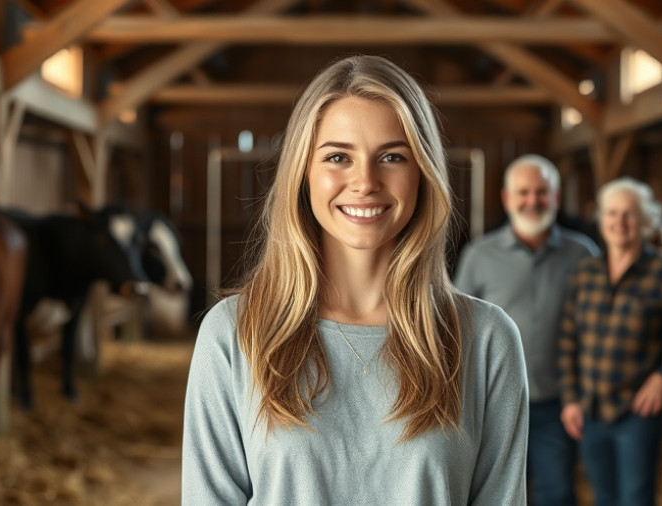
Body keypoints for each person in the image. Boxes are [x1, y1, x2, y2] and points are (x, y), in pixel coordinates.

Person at [181, 55, 529, 505]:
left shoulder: (487, 339)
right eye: (338, 157)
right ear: (304, 172)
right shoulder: (233, 334)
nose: (365, 181)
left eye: (391, 156)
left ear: (422, 172)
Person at [558, 177, 662, 506]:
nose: (619, 223)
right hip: (590, 410)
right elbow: (568, 339)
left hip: (636, 414)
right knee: (603, 498)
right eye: (612, 213)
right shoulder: (585, 272)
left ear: (648, 222)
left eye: (630, 214)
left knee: (635, 499)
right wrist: (570, 399)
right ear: (602, 219)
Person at [454, 154, 599, 506]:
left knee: (557, 493)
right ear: (507, 199)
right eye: (523, 193)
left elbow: (599, 329)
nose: (532, 201)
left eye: (541, 192)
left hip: (557, 402)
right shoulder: (479, 255)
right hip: (492, 403)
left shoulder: (583, 255)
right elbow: (457, 327)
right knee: (499, 495)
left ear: (556, 197)